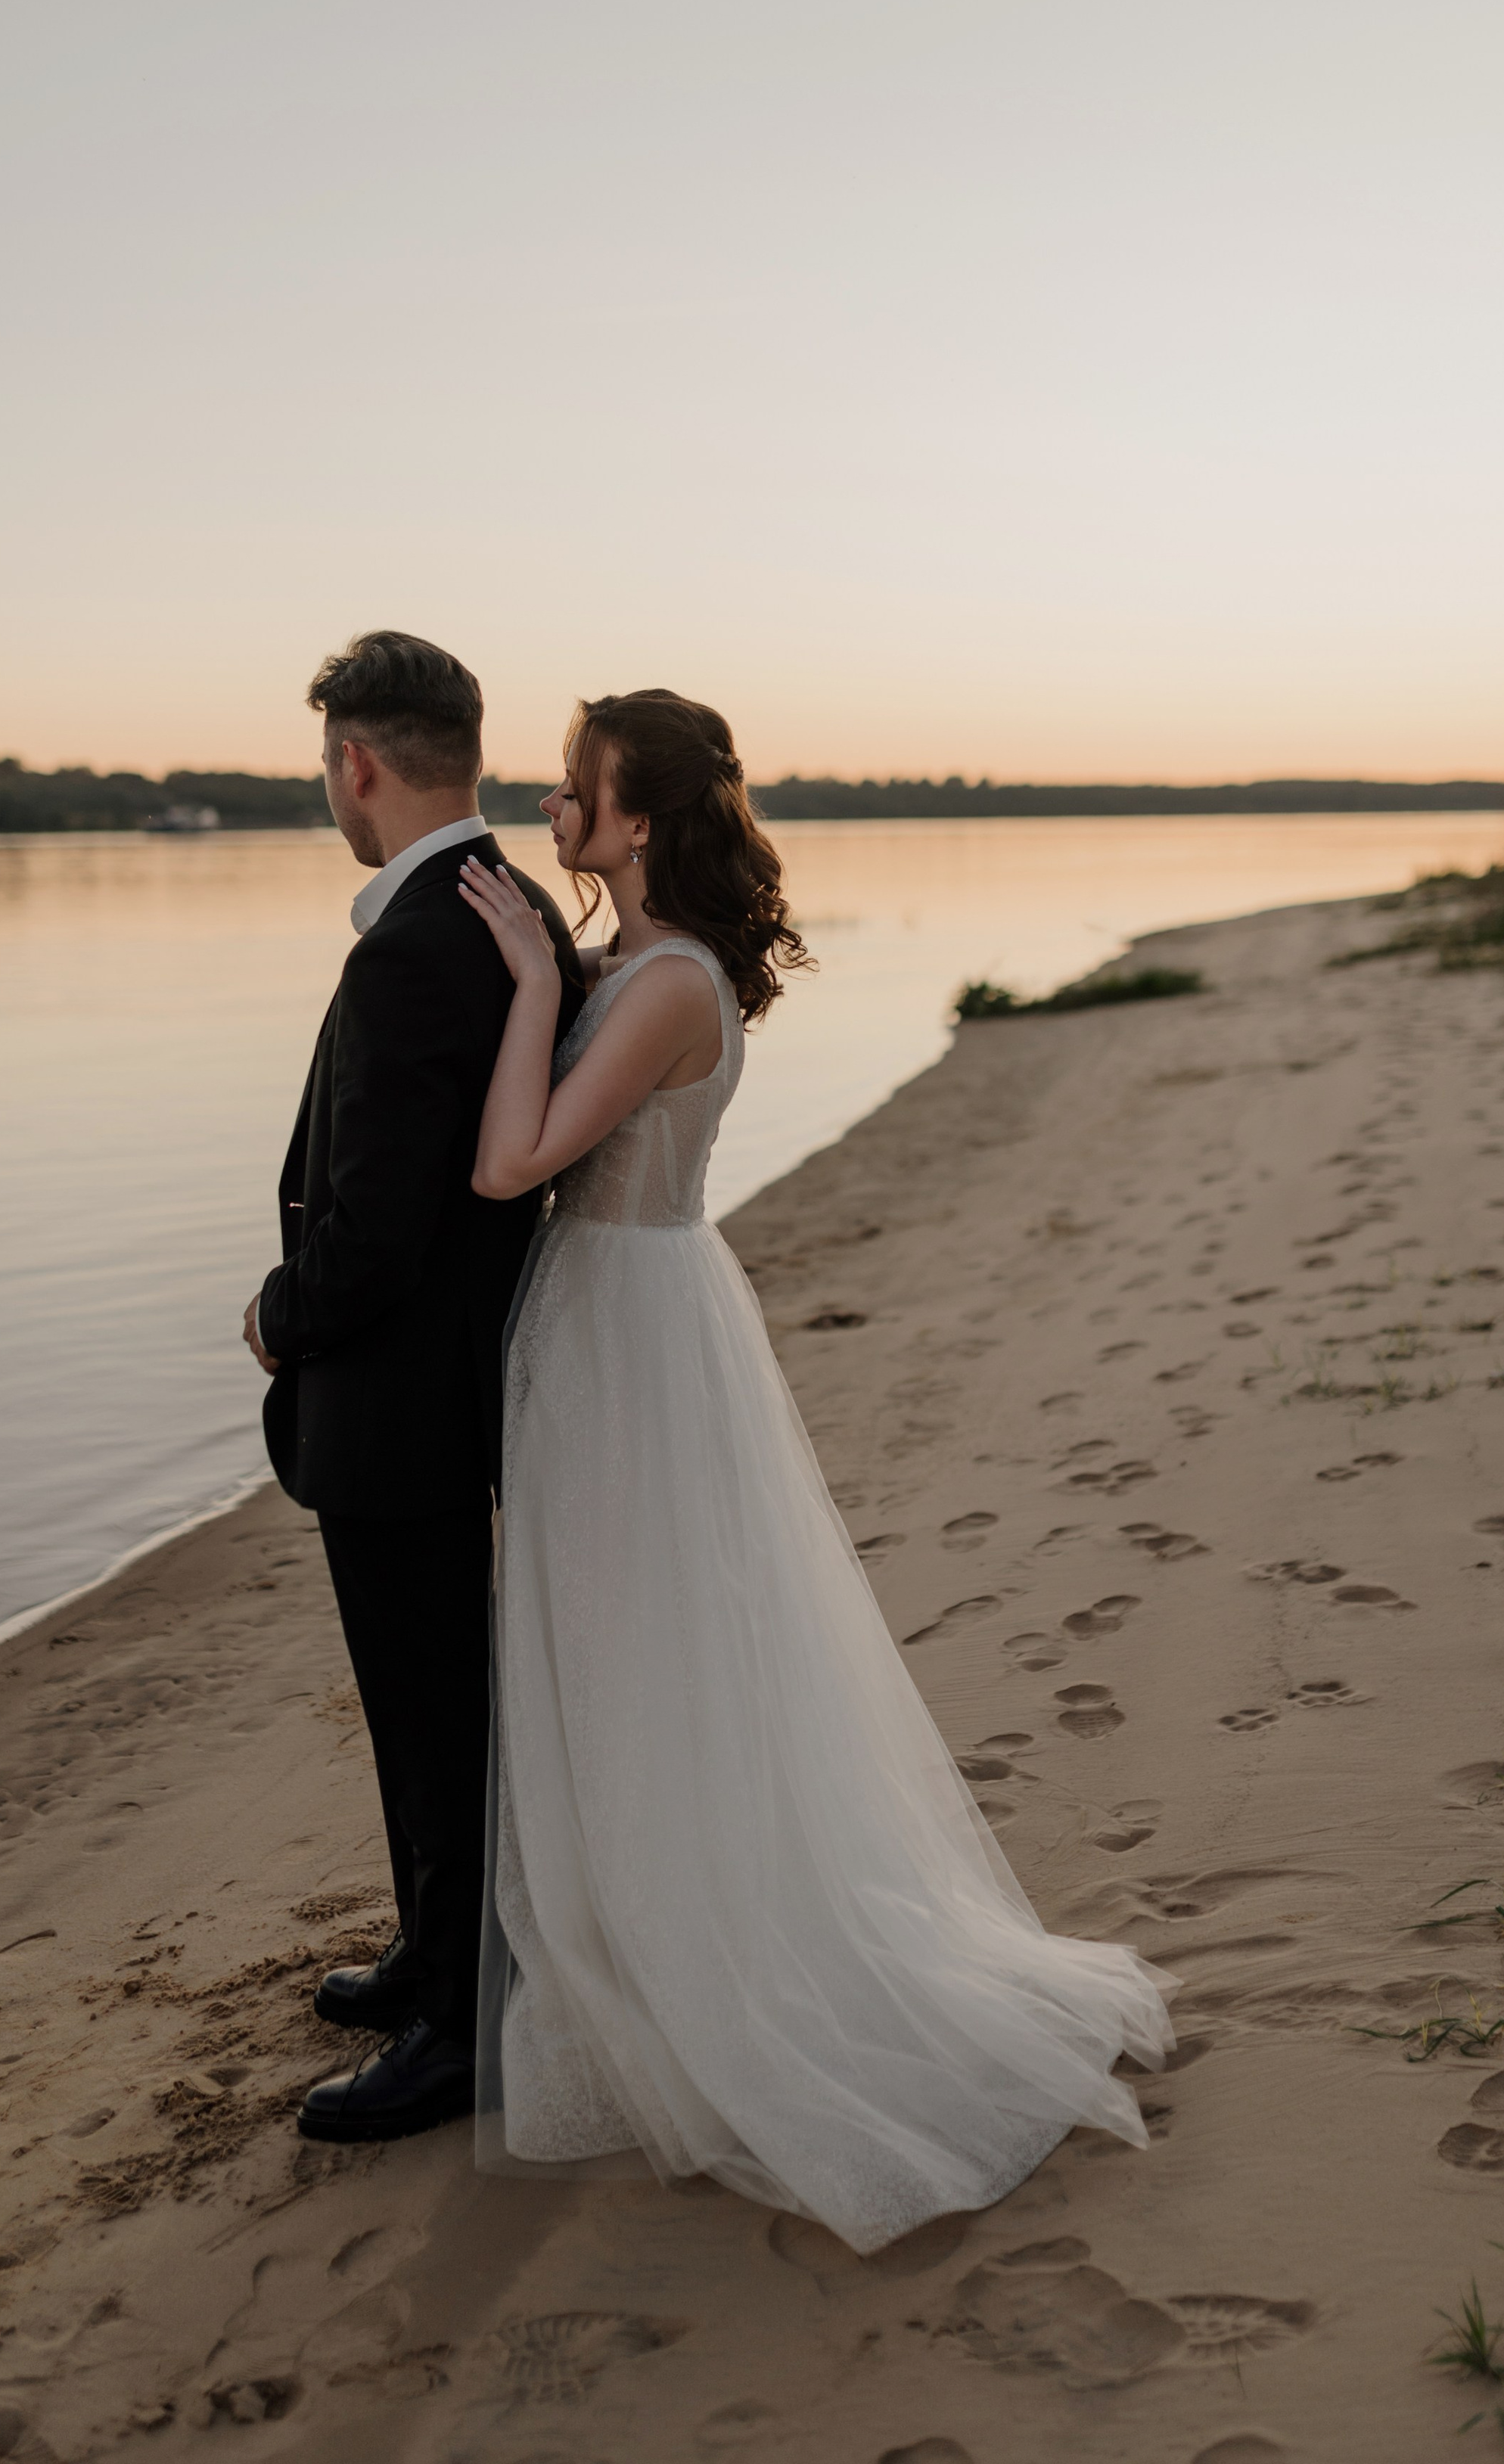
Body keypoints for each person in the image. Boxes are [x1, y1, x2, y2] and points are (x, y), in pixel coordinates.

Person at [456, 688, 1176, 2256]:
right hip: (616, 1316)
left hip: (630, 1327)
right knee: (616, 1645)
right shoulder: (635, 965)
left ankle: (704, 1972)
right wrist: (546, 965)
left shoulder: (662, 982)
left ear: (633, 820)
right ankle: (629, 1955)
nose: (547, 800)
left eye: (572, 785)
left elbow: (512, 1161)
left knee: (647, 1650)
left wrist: (527, 981)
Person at [243, 630, 580, 2146]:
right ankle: (427, 1956)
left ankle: (455, 2024)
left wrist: (277, 1314)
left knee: (430, 1709)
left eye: (330, 763)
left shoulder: (410, 945)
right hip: (458, 1384)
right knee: (425, 1702)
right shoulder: (498, 911)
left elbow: (376, 1222)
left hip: (399, 1403)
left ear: (357, 763)